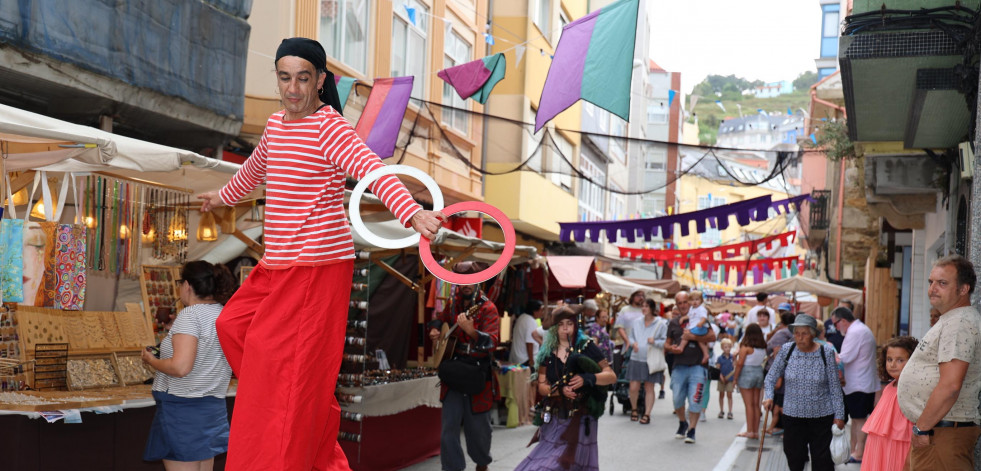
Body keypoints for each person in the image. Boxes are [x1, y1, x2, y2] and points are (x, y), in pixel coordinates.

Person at [196, 38, 447, 471]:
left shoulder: (329, 127)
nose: (293, 88)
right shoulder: (276, 126)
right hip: (276, 264)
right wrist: (220, 197)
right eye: (285, 77)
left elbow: (372, 170)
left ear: (320, 81)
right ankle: (300, 423)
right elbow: (254, 172)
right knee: (231, 325)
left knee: (291, 373)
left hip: (317, 267)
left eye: (303, 78)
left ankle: (295, 445)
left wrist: (411, 213)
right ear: (277, 78)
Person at [142, 261, 237, 470]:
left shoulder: (190, 315)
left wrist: (152, 361)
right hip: (211, 408)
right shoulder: (223, 313)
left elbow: (180, 368)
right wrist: (175, 332)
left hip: (183, 411)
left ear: (187, 285)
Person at [898, 255, 981, 470]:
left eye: (942, 283)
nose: (933, 288)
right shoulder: (951, 319)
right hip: (936, 430)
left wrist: (922, 429)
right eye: (931, 282)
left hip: (941, 433)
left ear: (964, 289)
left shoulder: (959, 322)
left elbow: (950, 386)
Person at [515, 306, 616, 471]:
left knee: (565, 464)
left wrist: (588, 378)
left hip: (581, 417)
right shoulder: (546, 352)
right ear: (554, 327)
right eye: (560, 324)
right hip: (554, 416)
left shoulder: (586, 346)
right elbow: (541, 386)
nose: (565, 328)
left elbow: (611, 375)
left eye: (569, 323)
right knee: (544, 464)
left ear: (576, 325)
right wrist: (558, 391)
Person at [428, 264, 500, 471]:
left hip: (478, 373)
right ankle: (452, 467)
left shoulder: (488, 308)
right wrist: (434, 330)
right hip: (454, 371)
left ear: (478, 280)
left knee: (478, 428)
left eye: (470, 280)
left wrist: (472, 331)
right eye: (461, 281)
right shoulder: (452, 304)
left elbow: (493, 342)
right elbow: (440, 320)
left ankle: (482, 461)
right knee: (448, 428)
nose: (466, 285)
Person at [763, 314, 845, 471]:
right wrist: (768, 396)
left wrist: (839, 416)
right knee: (795, 458)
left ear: (813, 334)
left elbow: (835, 387)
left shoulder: (826, 352)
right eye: (796, 333)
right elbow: (770, 378)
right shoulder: (787, 350)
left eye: (804, 333)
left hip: (822, 416)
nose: (799, 338)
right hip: (793, 415)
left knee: (823, 462)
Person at [860, 336, 918, 471]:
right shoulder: (889, 387)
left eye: (900, 360)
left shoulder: (914, 389)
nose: (892, 365)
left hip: (900, 445)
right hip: (880, 445)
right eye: (889, 359)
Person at [665, 291, 715, 444]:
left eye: (685, 302)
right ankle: (682, 422)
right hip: (679, 366)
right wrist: (671, 348)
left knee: (695, 399)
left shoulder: (700, 316)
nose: (683, 305)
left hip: (698, 366)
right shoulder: (674, 322)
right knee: (677, 399)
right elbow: (666, 344)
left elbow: (712, 337)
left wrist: (693, 337)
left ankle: (692, 429)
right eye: (679, 303)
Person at [832, 305, 880, 464]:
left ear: (843, 321)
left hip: (859, 383)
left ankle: (859, 452)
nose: (836, 328)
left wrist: (829, 353)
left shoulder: (856, 332)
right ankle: (854, 450)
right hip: (860, 383)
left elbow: (844, 357)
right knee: (856, 418)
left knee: (860, 420)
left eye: (836, 324)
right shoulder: (859, 329)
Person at [626, 299, 668, 425]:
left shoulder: (661, 323)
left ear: (652, 309)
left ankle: (647, 414)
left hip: (650, 359)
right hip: (636, 357)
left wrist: (654, 341)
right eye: (642, 306)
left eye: (646, 306)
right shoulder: (636, 322)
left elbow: (665, 342)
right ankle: (634, 409)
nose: (643, 308)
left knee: (649, 387)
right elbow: (631, 336)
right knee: (633, 387)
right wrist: (634, 343)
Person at [762, 311, 797, 437]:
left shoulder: (781, 333)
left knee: (778, 403)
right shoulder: (791, 333)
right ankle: (780, 426)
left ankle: (779, 426)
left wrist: (779, 373)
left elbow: (777, 352)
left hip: (779, 371)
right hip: (787, 372)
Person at [733, 324, 767, 439]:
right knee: (756, 404)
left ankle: (749, 431)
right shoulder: (762, 347)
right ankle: (755, 431)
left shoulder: (745, 347)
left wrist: (735, 378)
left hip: (746, 372)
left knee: (748, 405)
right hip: (758, 372)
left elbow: (740, 363)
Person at [676, 290, 710, 365]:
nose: (695, 302)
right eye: (692, 300)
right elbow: (689, 316)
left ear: (701, 300)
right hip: (694, 327)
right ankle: (705, 353)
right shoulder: (692, 308)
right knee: (698, 340)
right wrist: (683, 318)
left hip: (700, 327)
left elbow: (704, 318)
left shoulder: (701, 309)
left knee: (686, 335)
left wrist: (701, 323)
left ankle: (681, 347)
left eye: (697, 299)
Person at [511, 300, 545, 367]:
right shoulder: (531, 321)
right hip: (524, 360)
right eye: (541, 310)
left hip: (517, 358)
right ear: (534, 311)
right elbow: (529, 343)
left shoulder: (522, 317)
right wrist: (531, 360)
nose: (542, 313)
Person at [715, 338, 735, 420]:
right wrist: (721, 377)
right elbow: (718, 369)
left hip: (730, 379)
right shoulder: (720, 358)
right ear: (722, 348)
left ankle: (730, 411)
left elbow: (734, 367)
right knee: (721, 394)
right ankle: (721, 410)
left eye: (729, 347)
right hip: (722, 379)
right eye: (726, 347)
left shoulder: (732, 357)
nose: (728, 349)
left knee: (729, 395)